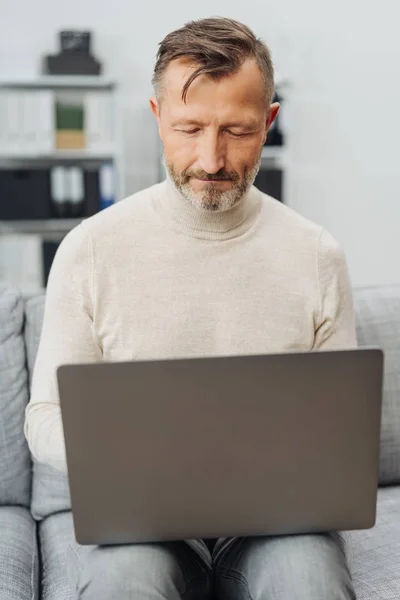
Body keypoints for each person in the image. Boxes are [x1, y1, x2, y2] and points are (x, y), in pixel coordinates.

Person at [24, 16, 357, 600]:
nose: (211, 159)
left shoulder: (317, 255)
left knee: (310, 584)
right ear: (156, 119)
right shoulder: (90, 249)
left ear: (270, 122)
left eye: (237, 130)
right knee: (122, 587)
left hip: (273, 520)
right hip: (140, 518)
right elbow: (43, 418)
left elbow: (343, 429)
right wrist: (136, 450)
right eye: (189, 128)